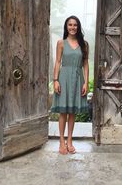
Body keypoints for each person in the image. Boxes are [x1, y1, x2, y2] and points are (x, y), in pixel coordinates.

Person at [51, 16, 89, 155]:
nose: (72, 27)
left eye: (75, 25)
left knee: (72, 112)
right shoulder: (61, 43)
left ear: (78, 27)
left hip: (77, 79)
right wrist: (55, 80)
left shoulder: (84, 44)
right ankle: (61, 141)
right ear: (66, 27)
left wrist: (86, 82)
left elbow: (85, 64)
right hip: (64, 77)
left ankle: (70, 140)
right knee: (63, 112)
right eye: (70, 25)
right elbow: (57, 62)